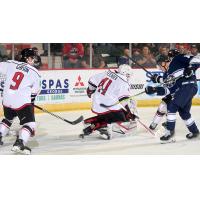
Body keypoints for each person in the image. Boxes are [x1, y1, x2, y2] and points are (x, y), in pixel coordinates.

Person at [145, 49, 200, 143]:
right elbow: (168, 90)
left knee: (172, 106)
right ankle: (195, 132)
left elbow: (197, 59)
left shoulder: (178, 59)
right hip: (184, 89)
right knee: (184, 112)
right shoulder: (168, 73)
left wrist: (191, 68)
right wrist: (154, 89)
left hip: (187, 86)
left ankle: (169, 132)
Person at [79, 64, 137, 140]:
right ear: (125, 73)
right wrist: (130, 112)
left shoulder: (108, 73)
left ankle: (89, 123)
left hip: (97, 104)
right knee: (122, 119)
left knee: (108, 116)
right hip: (108, 106)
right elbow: (124, 100)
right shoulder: (123, 82)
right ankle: (104, 128)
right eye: (128, 75)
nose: (129, 77)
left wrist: (90, 90)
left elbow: (92, 80)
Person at [0, 48, 41, 154]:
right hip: (21, 102)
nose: (33, 60)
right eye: (32, 58)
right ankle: (20, 143)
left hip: (6, 99)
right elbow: (34, 92)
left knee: (8, 118)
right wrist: (30, 103)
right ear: (27, 58)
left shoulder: (10, 63)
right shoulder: (35, 72)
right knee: (30, 124)